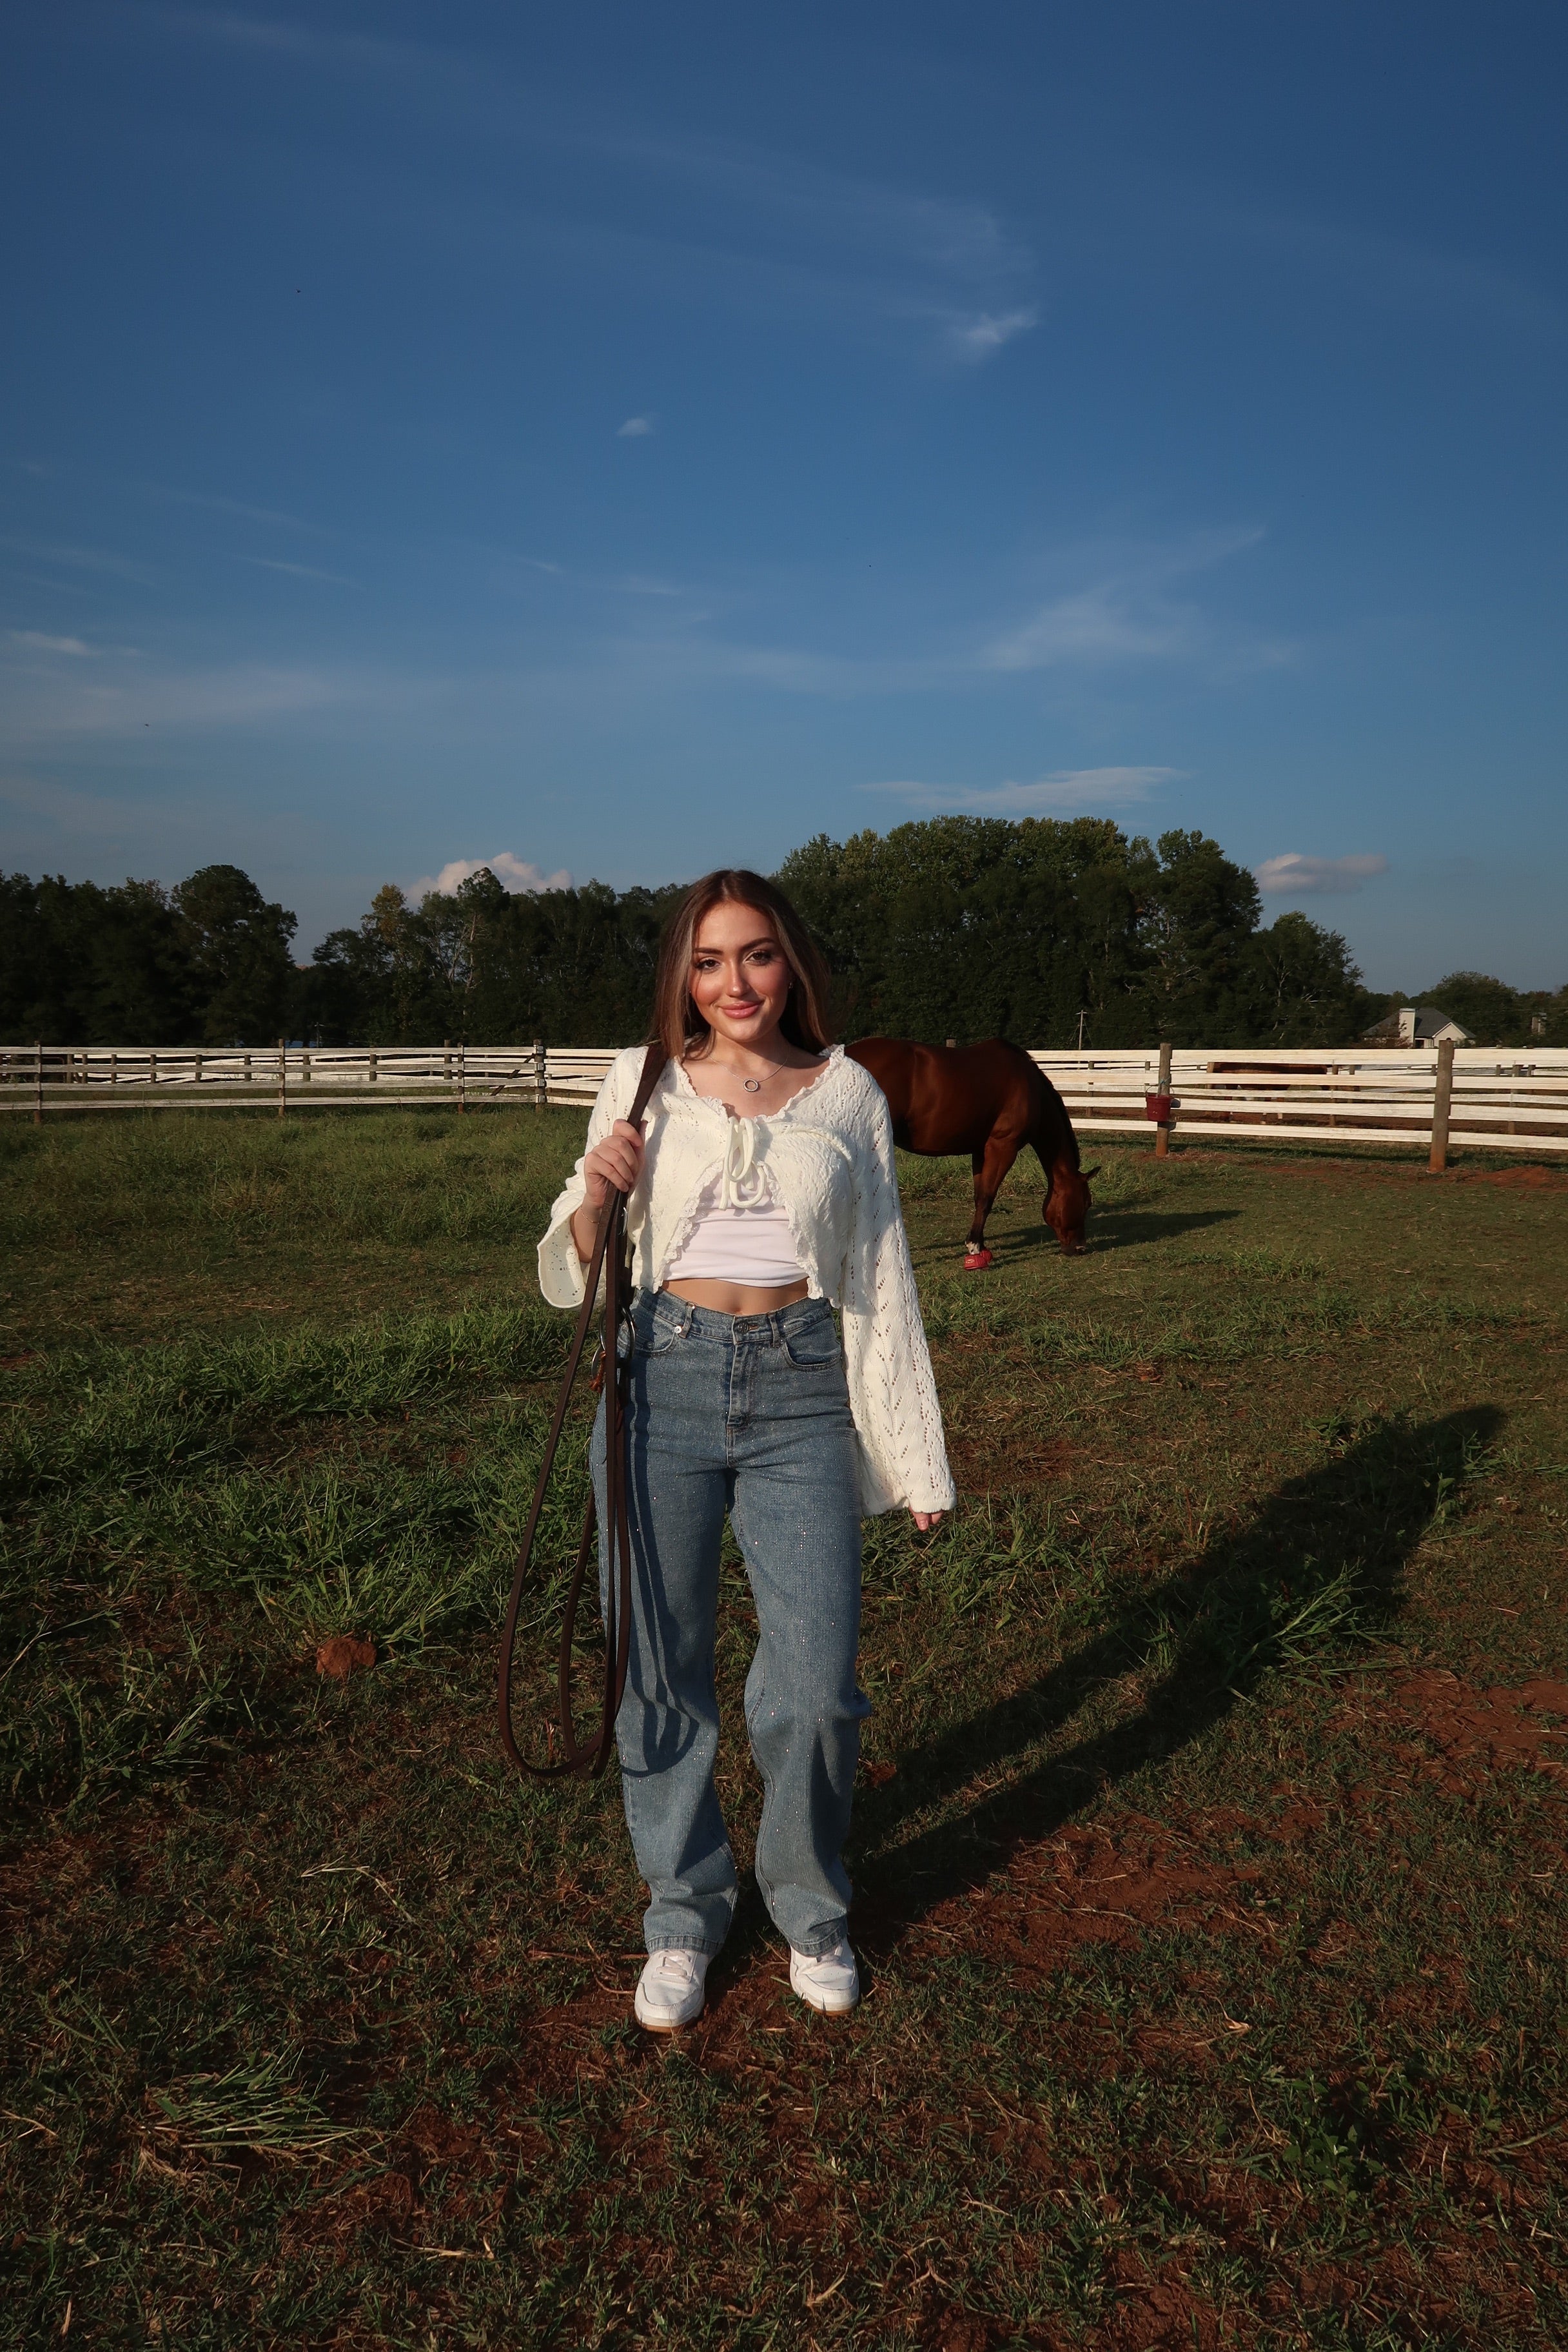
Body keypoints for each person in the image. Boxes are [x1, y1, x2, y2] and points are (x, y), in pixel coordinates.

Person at [537, 868, 954, 2030]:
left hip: (803, 1390)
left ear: (792, 966)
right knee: (657, 1673)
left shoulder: (849, 1093)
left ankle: (810, 1905)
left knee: (816, 1686)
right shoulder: (643, 1080)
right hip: (656, 1382)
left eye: (757, 956)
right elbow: (574, 1248)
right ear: (685, 970)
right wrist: (594, 1200)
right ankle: (684, 1913)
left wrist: (913, 1454)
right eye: (711, 961)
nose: (735, 984)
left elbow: (879, 1279)